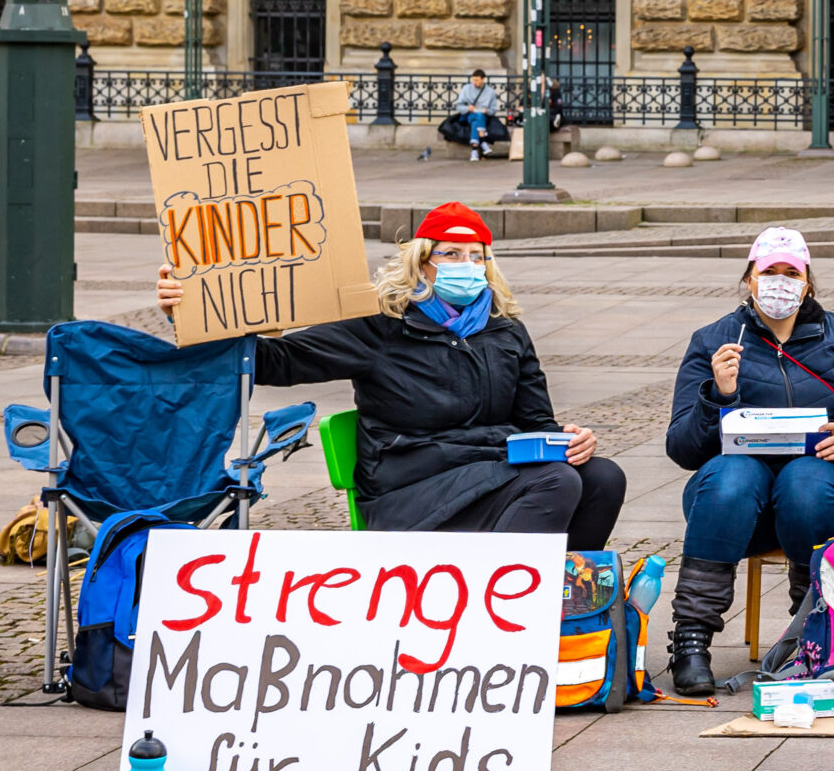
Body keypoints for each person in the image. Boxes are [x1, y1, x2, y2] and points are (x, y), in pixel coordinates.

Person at [155, 201, 622, 543]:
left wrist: (571, 441)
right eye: (451, 254)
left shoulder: (505, 332)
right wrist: (192, 315)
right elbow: (278, 361)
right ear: (423, 262)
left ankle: (566, 604)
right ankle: (510, 613)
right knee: (554, 482)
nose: (467, 266)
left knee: (602, 477)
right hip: (407, 489)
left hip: (490, 473)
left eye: (476, 256)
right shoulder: (382, 326)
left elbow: (535, 423)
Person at [662, 227, 834, 696]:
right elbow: (683, 448)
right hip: (737, 510)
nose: (780, 281)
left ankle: (813, 629)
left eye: (791, 272)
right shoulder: (714, 340)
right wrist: (717, 395)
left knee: (804, 482)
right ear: (749, 278)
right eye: (769, 271)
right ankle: (691, 638)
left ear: (808, 282)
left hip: (833, 498)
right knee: (732, 475)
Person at [455, 69, 500, 160]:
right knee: (478, 116)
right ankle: (483, 141)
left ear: (483, 79)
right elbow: (458, 107)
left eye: (477, 80)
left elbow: (493, 110)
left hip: (483, 117)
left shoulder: (490, 92)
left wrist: (486, 111)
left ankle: (474, 151)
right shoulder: (466, 89)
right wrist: (468, 108)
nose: (474, 82)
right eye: (473, 80)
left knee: (477, 120)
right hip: (468, 115)